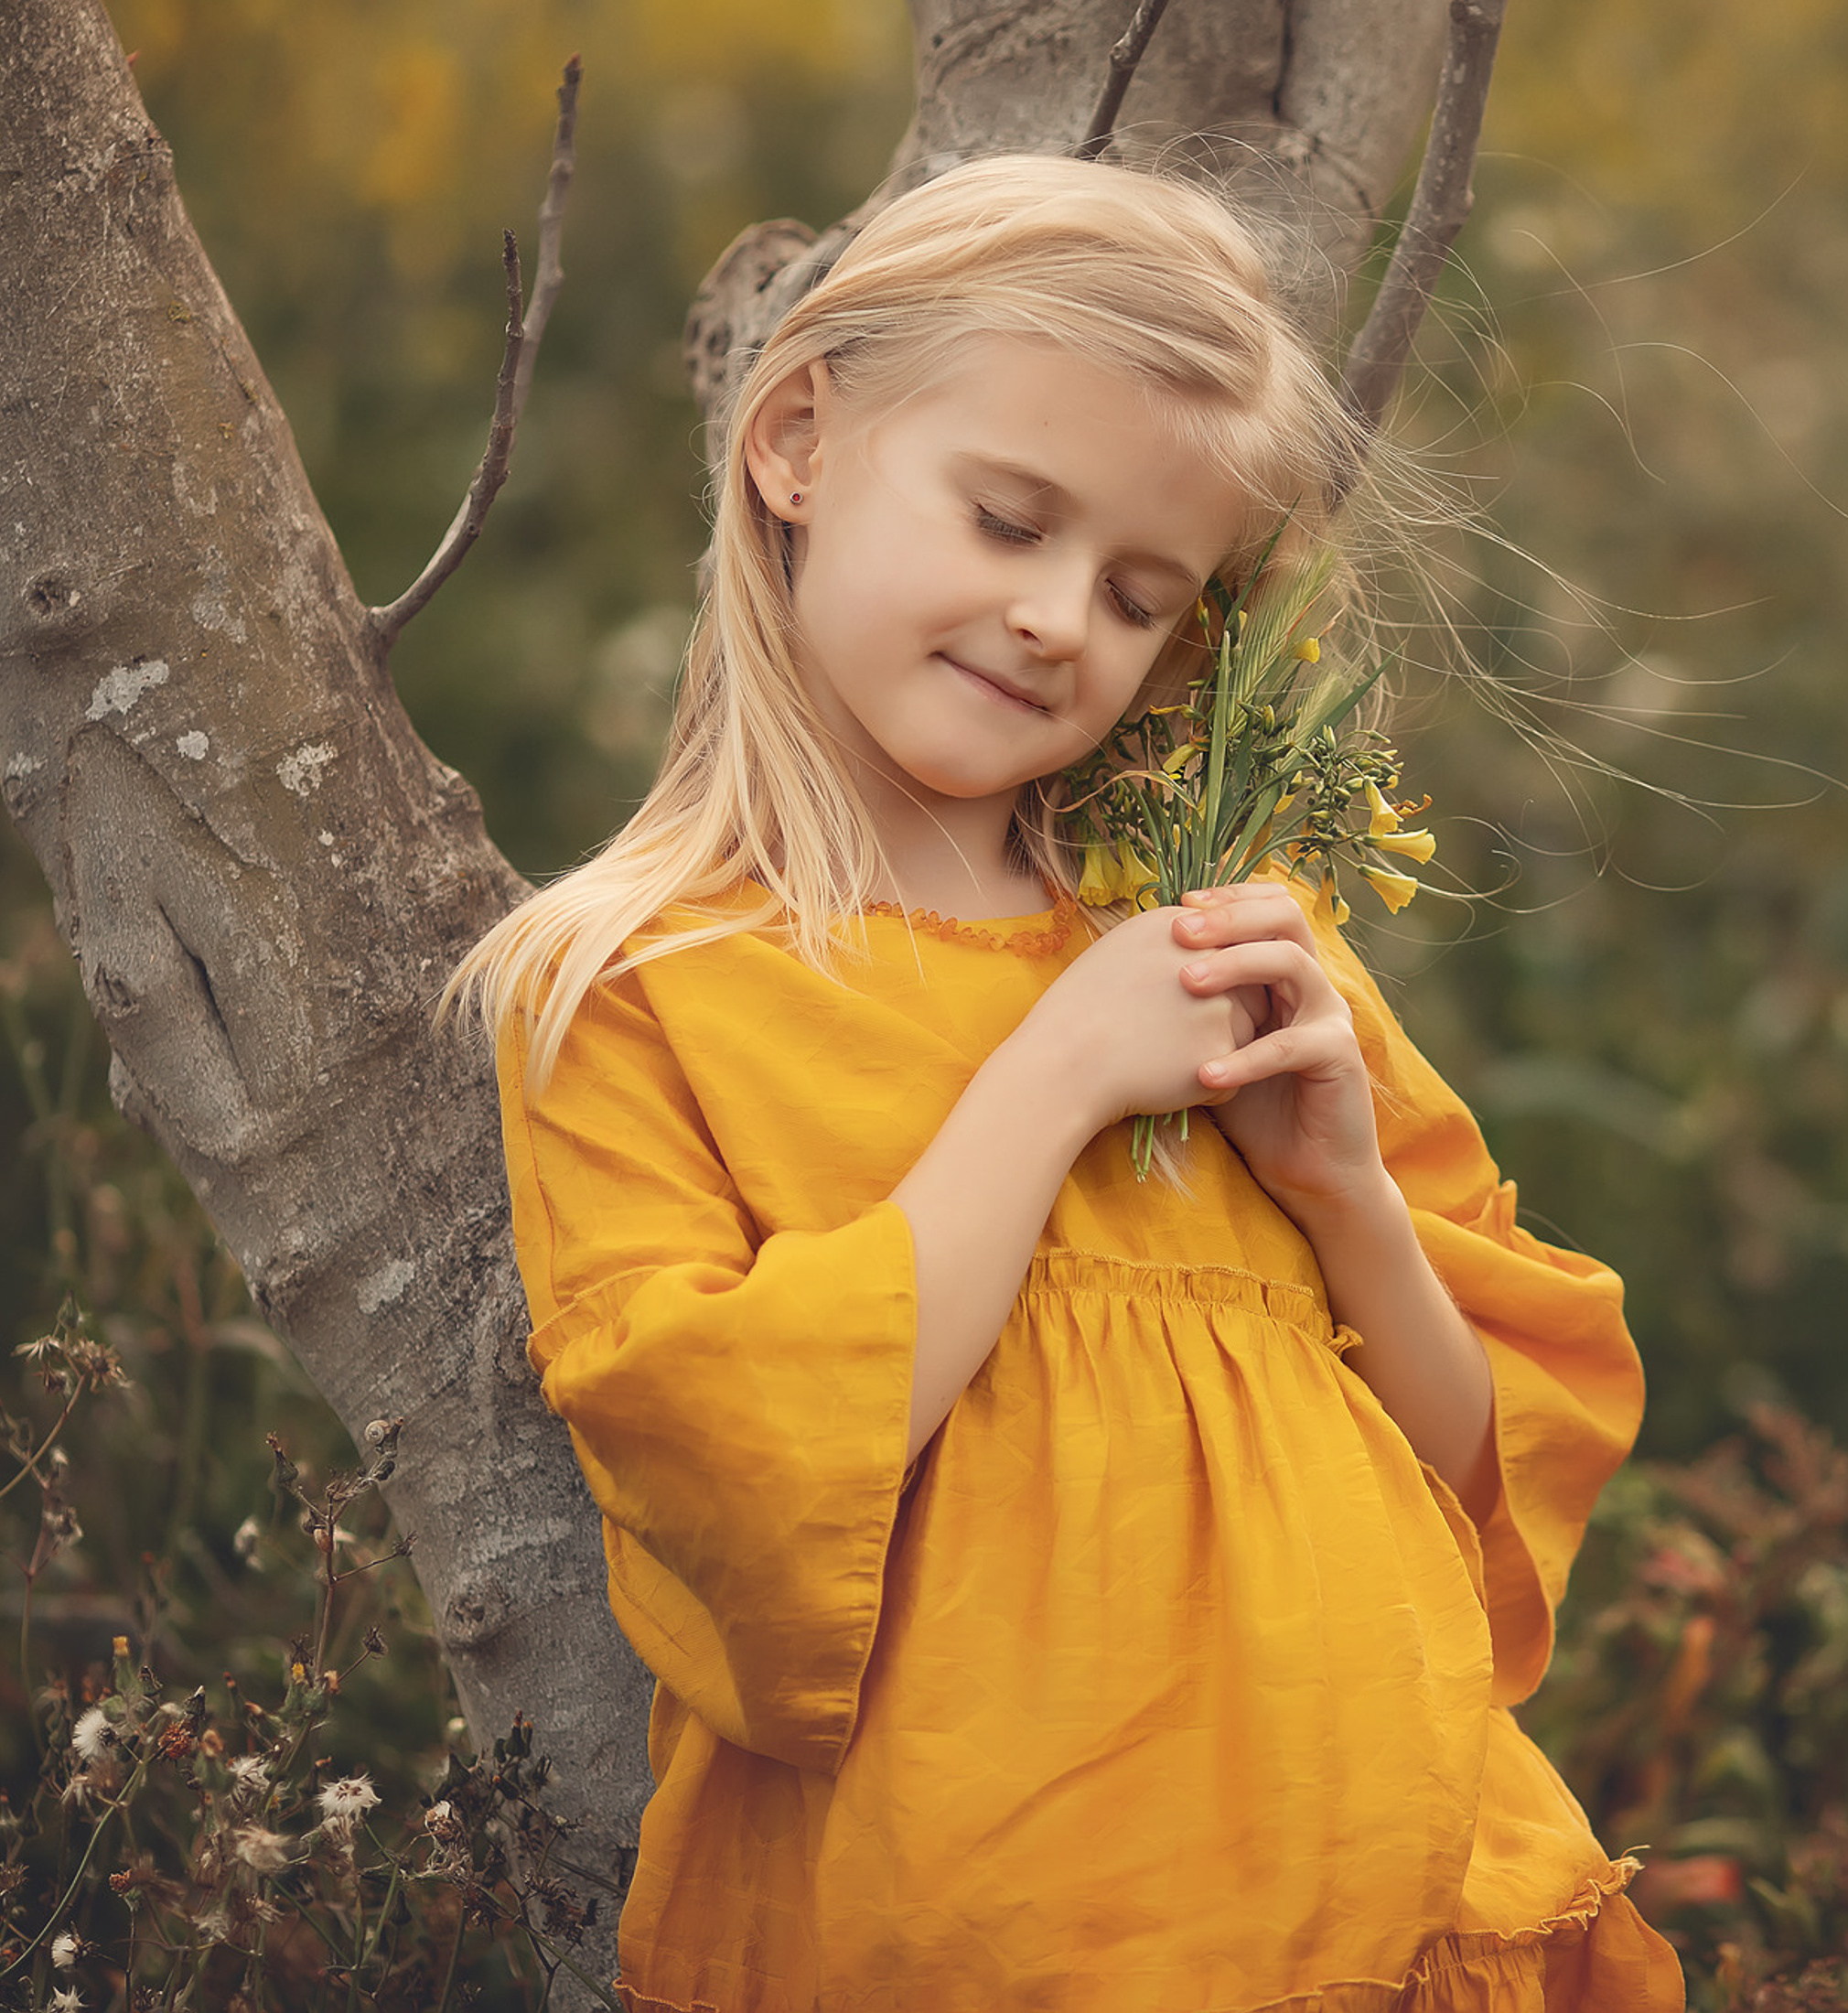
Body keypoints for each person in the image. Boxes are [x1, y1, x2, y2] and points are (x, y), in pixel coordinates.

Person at [451, 154, 1684, 2013]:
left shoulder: (1214, 944)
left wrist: (1344, 1187)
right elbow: (735, 1478)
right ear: (794, 438)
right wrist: (1050, 1078)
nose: (1055, 619)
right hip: (987, 1930)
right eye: (1006, 517)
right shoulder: (634, 986)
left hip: (1402, 1896)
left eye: (1134, 589)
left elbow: (1476, 1477)